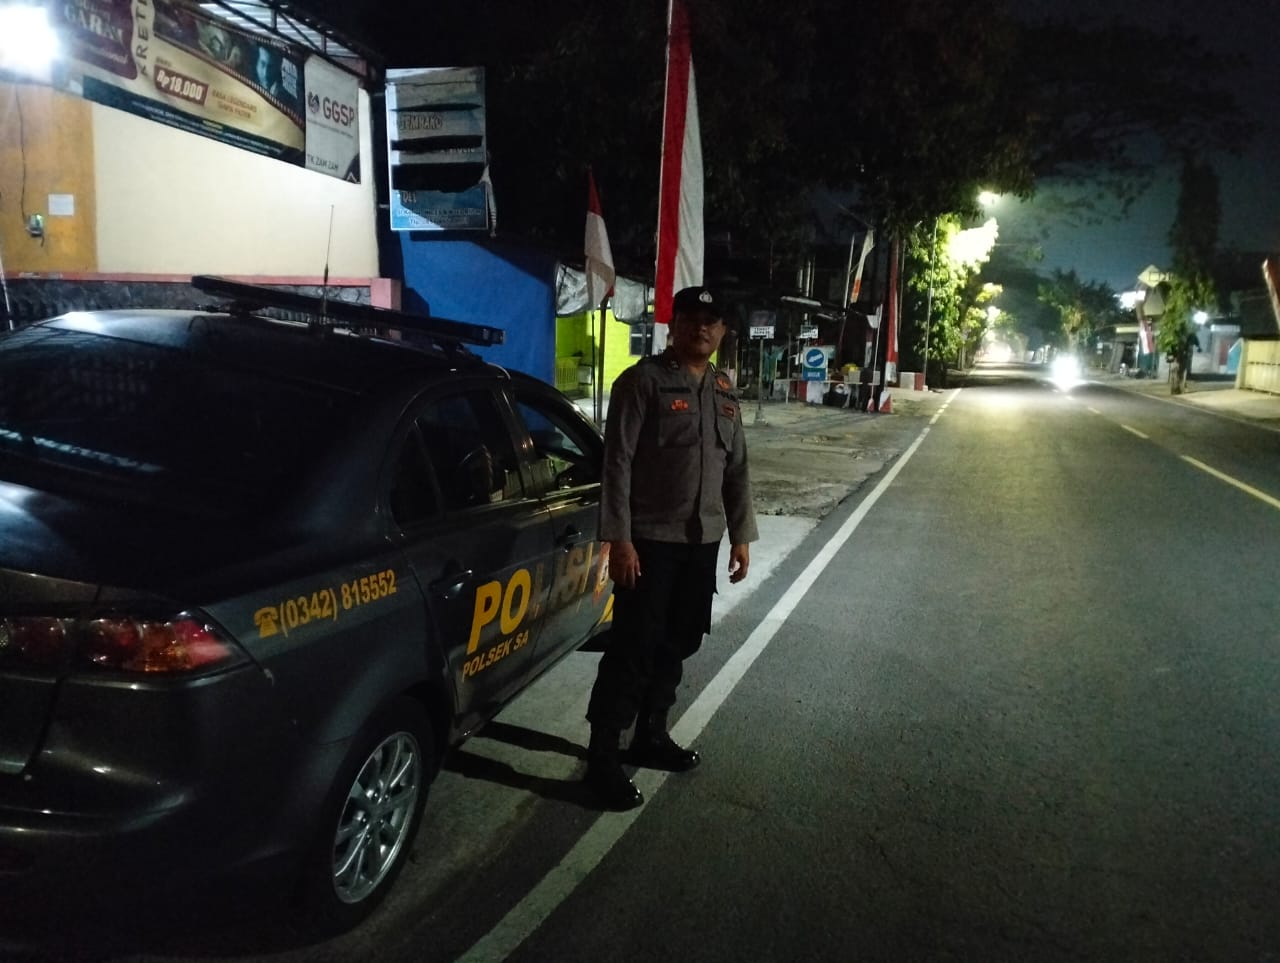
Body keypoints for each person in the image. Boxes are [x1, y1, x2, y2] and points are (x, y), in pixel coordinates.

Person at [584, 285, 759, 811]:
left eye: (712, 320)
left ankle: (651, 734)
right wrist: (619, 539)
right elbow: (616, 464)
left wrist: (741, 535)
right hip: (649, 543)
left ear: (722, 330)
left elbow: (736, 469)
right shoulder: (642, 382)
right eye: (691, 318)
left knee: (680, 640)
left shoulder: (724, 390)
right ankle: (602, 758)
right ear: (673, 323)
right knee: (633, 648)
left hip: (701, 543)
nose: (701, 327)